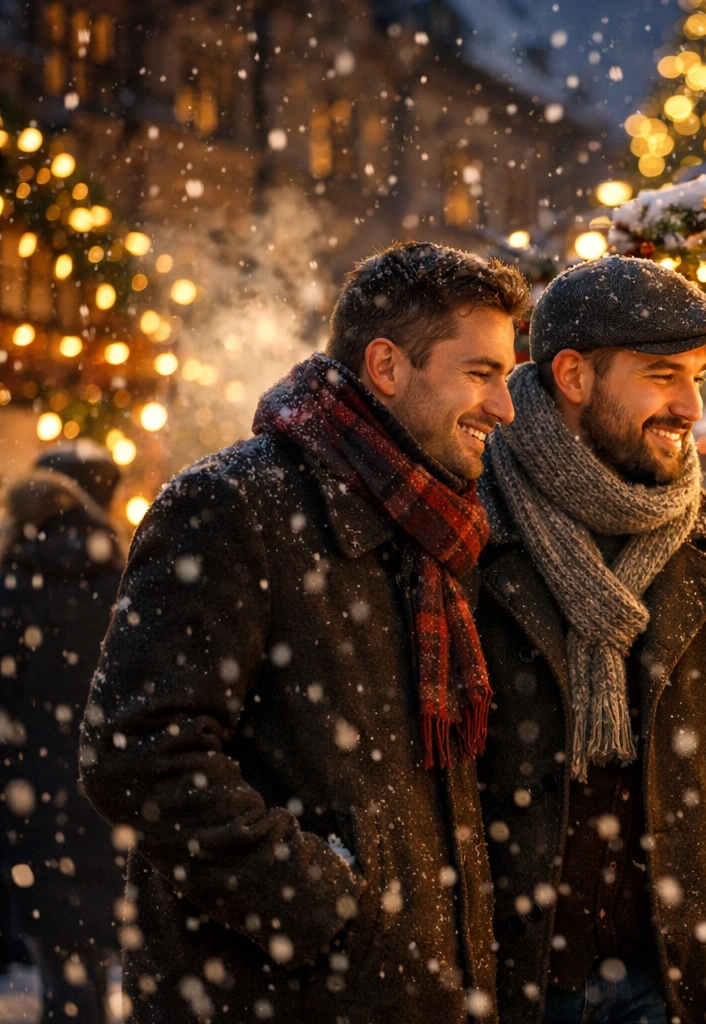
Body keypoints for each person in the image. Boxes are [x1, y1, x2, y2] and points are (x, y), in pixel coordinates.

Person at [80, 242, 528, 1024]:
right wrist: (326, 908)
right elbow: (138, 752)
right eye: (480, 373)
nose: (504, 406)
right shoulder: (234, 504)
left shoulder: (438, 524)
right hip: (276, 997)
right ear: (386, 366)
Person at [475, 256, 706, 1024]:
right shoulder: (469, 525)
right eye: (663, 376)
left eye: (696, 378)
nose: (690, 406)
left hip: (667, 979)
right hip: (504, 977)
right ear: (573, 375)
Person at [0, 442, 124, 1023]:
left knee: (58, 949)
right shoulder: (119, 575)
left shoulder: (14, 578)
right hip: (101, 783)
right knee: (91, 946)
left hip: (30, 788)